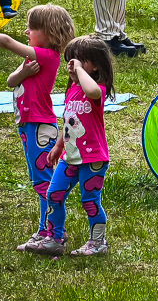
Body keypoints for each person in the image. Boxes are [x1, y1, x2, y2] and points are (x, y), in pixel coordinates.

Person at [0, 3, 75, 252]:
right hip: (29, 127)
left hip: (40, 127)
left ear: (49, 34)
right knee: (41, 182)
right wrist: (23, 73)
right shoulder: (32, 58)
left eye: (31, 28)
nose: (26, 32)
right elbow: (10, 81)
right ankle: (48, 229)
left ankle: (52, 233)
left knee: (45, 184)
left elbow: (5, 41)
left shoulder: (47, 56)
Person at [41, 38, 118, 256]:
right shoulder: (72, 91)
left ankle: (98, 242)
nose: (72, 65)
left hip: (93, 159)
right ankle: (54, 237)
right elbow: (68, 121)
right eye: (70, 60)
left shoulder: (97, 89)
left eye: (79, 60)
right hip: (70, 156)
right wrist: (59, 146)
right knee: (54, 194)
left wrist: (80, 71)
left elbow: (93, 91)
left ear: (95, 66)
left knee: (90, 201)